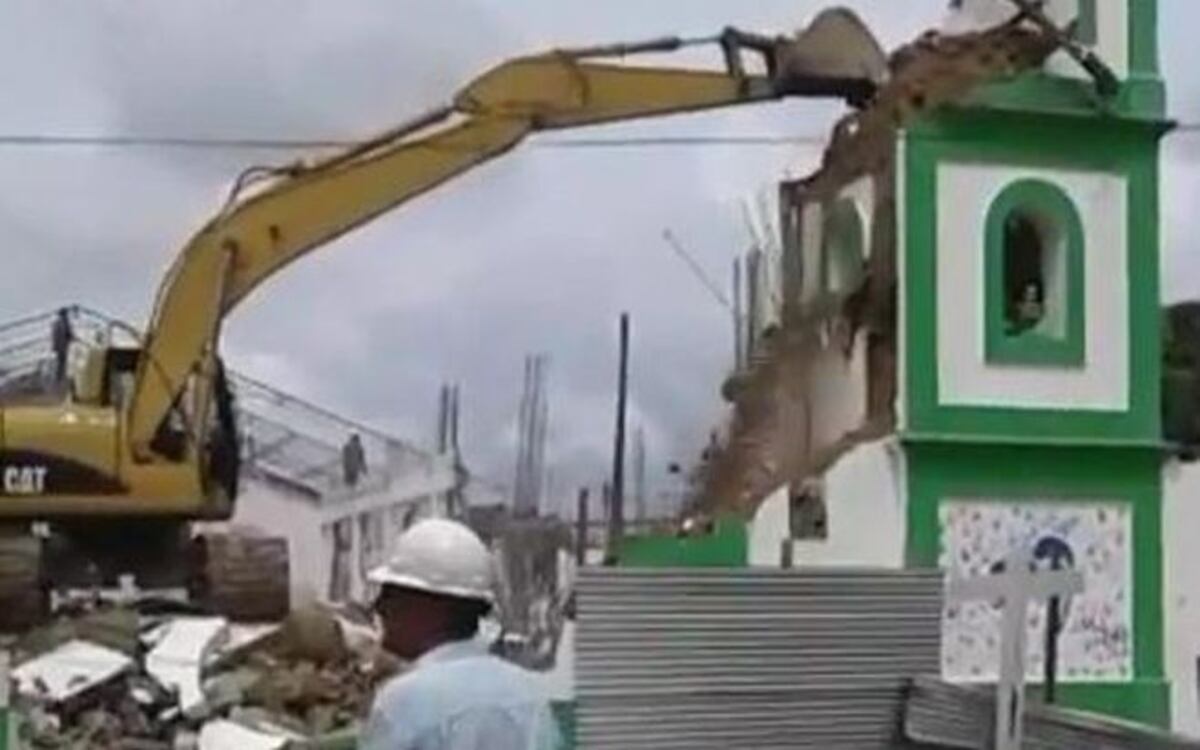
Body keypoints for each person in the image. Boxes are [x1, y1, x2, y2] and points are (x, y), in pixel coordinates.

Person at [361, 518, 561, 750]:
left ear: (427, 607)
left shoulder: (403, 702)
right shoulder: (527, 692)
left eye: (390, 595)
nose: (378, 607)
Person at [50, 306, 73, 384]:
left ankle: (61, 378)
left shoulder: (60, 323)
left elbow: (68, 333)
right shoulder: (61, 323)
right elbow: (59, 335)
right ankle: (60, 378)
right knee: (62, 362)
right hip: (62, 346)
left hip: (64, 346)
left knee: (63, 362)